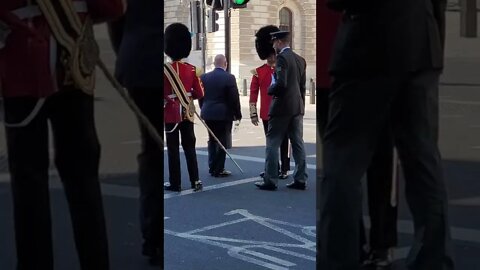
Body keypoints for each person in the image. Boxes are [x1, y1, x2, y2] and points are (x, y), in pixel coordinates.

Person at [319, 0, 455, 269]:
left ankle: (339, 259)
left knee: (343, 164)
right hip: (421, 43)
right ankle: (433, 259)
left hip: (366, 43)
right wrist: (434, 43)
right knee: (423, 163)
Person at [0, 0, 124, 269]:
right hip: (70, 64)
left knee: (30, 183)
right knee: (82, 182)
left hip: (23, 62)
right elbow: (111, 7)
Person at [316, 6, 399, 268]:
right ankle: (379, 244)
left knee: (344, 167)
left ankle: (362, 244)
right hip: (364, 66)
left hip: (349, 66)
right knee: (378, 164)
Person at [107, 0, 162, 265]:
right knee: (158, 150)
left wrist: (126, 54)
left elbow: (115, 16)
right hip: (153, 63)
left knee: (152, 151)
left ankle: (152, 237)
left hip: (138, 60)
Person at [254, 30, 307, 191]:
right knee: (297, 143)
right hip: (296, 107)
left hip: (282, 107)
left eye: (274, 42)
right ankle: (300, 178)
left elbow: (281, 84)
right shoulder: (300, 59)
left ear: (279, 42)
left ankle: (270, 179)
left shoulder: (282, 58)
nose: (273, 46)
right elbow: (302, 87)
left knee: (272, 142)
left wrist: (270, 89)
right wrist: (301, 105)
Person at [162, 23, 204, 193]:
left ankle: (175, 183)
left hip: (171, 114)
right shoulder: (192, 69)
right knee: (189, 148)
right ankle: (196, 180)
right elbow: (200, 93)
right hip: (188, 112)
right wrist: (188, 95)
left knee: (173, 150)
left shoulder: (164, 70)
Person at [250, 25, 290, 180]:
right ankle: (272, 168)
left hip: (282, 111)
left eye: (272, 55)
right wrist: (253, 113)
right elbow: (253, 94)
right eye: (268, 56)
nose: (271, 58)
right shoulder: (259, 72)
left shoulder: (283, 67)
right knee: (270, 144)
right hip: (267, 112)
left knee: (284, 142)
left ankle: (285, 169)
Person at [200, 54, 242, 177]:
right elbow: (234, 98)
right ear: (225, 63)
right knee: (222, 141)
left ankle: (212, 165)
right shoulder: (229, 77)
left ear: (214, 63)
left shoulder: (204, 77)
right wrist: (237, 114)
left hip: (208, 112)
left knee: (212, 139)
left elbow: (201, 96)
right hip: (223, 113)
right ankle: (219, 168)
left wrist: (204, 108)